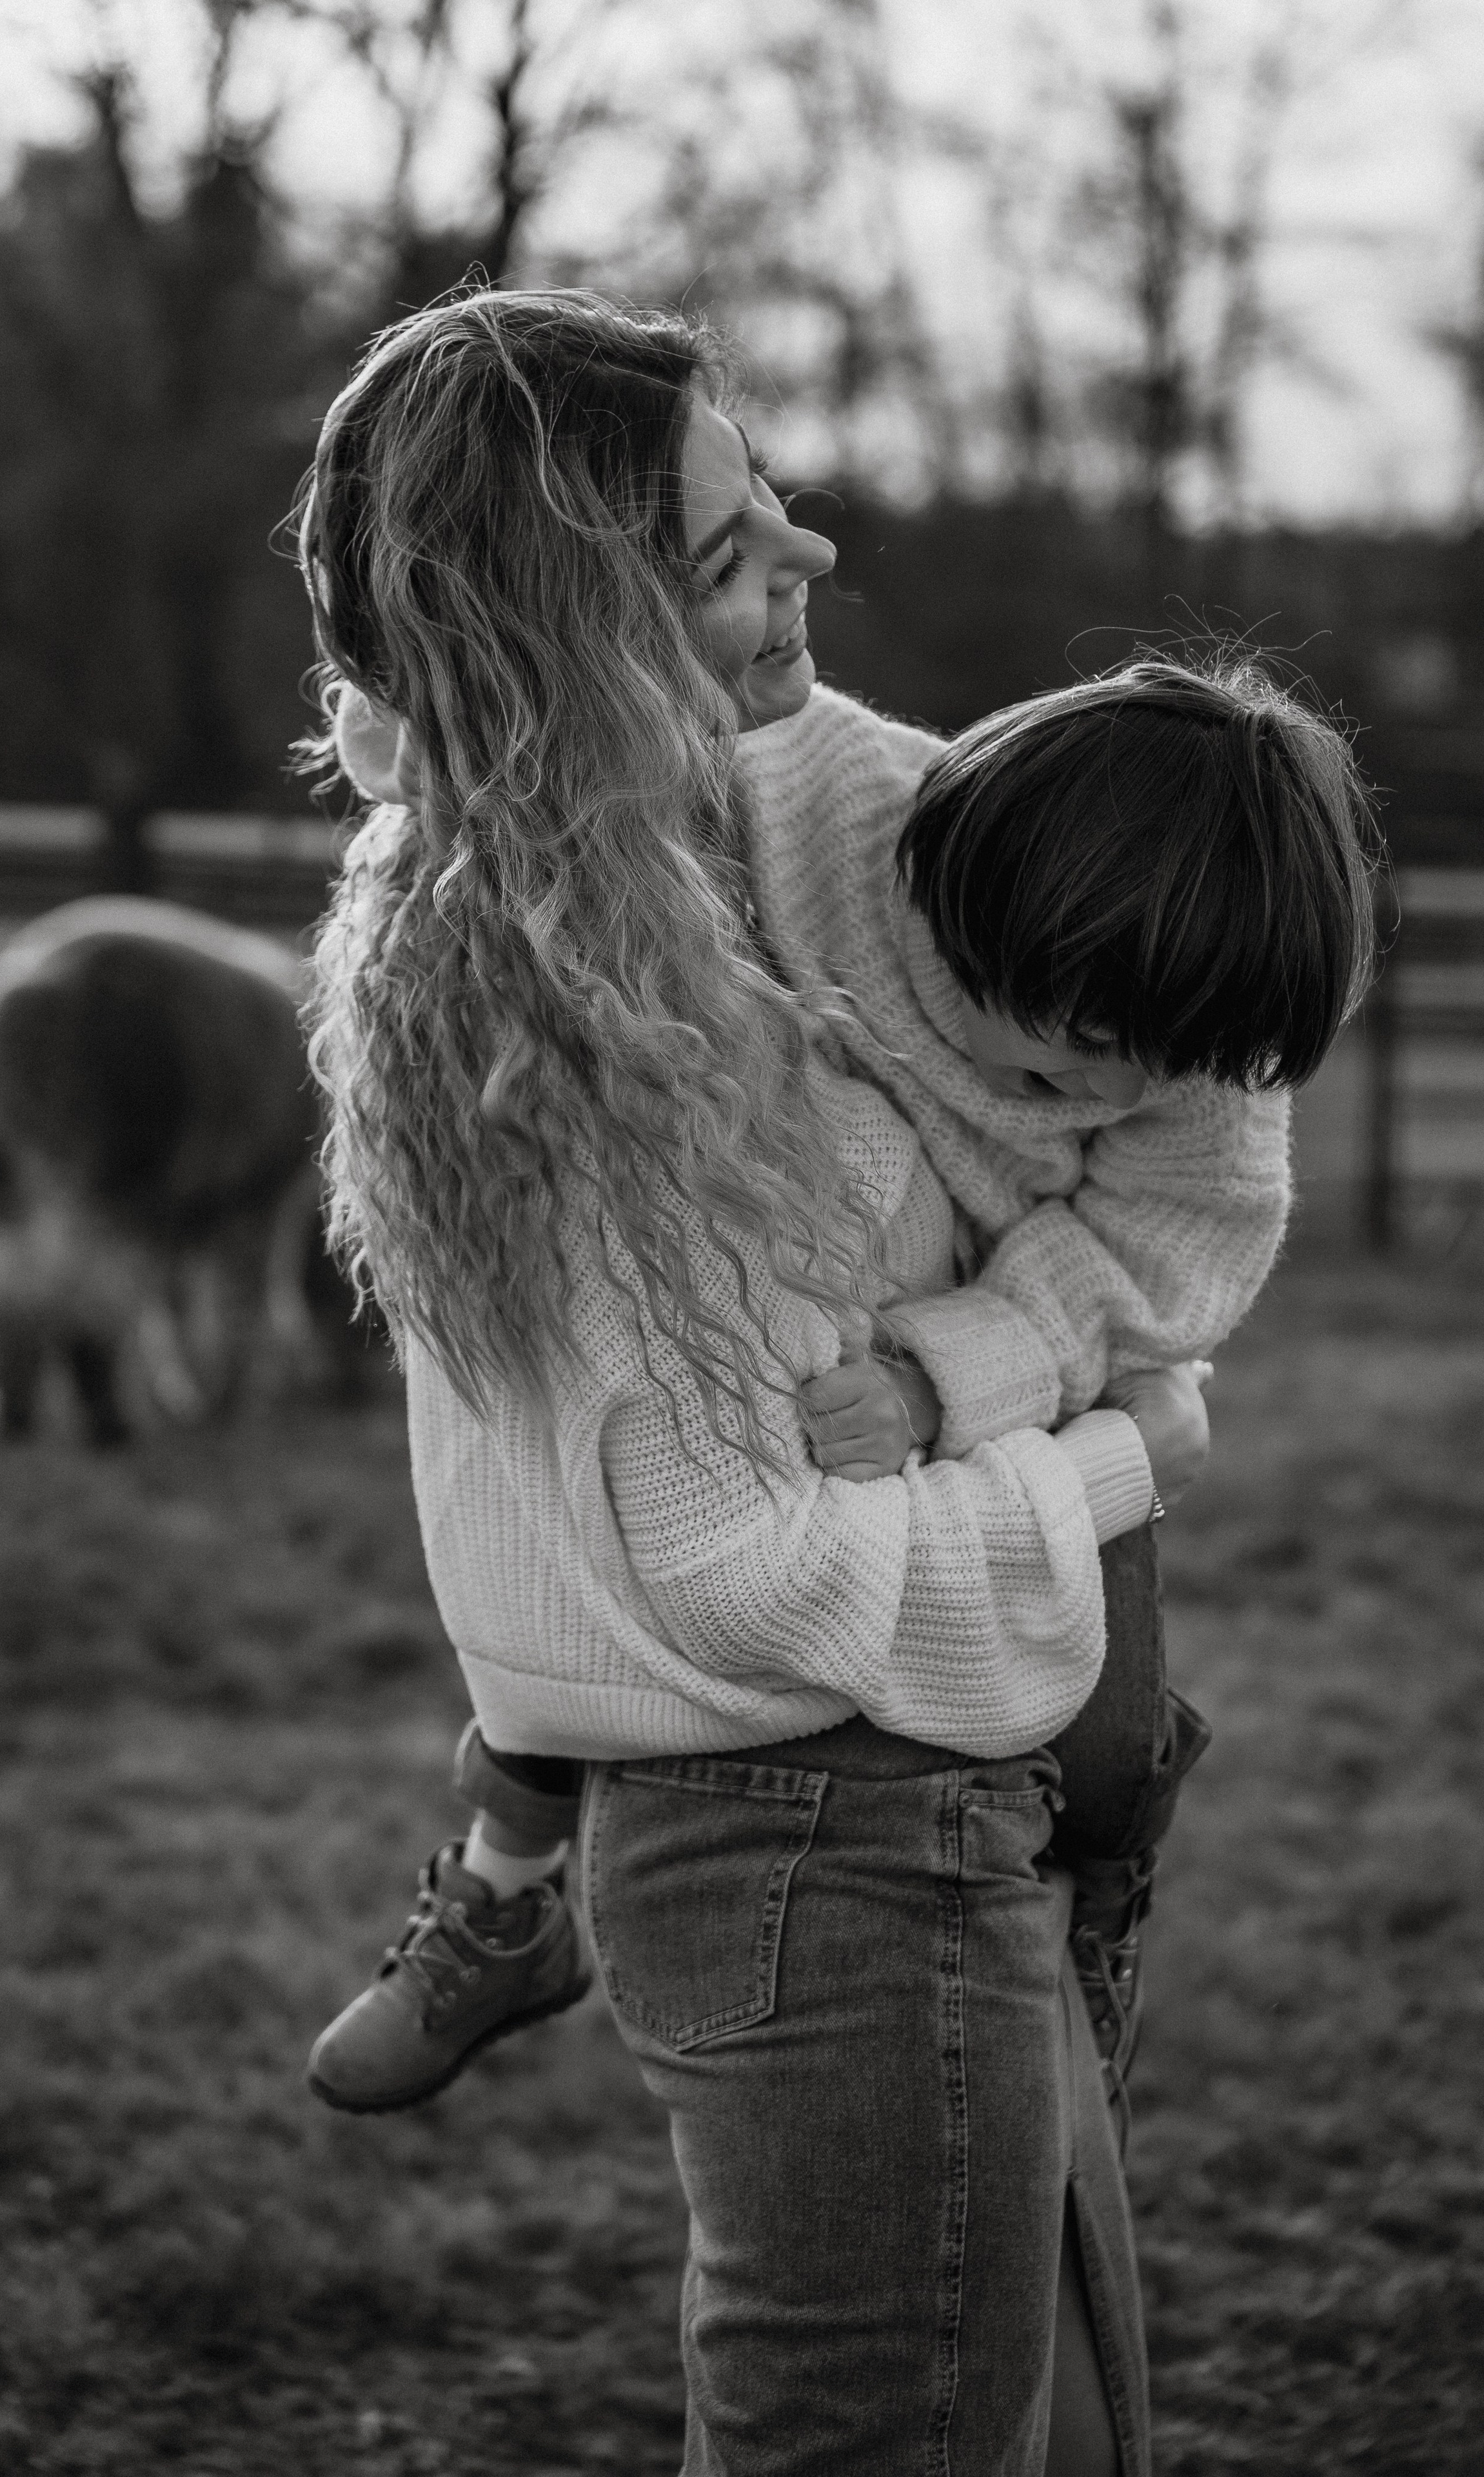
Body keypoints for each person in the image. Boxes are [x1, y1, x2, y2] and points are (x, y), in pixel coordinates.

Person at [291, 286, 1368, 2474]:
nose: (815, 559)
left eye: (772, 489)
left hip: (967, 1771)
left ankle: (504, 1884)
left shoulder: (875, 806)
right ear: (574, 639)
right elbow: (741, 1568)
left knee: (1054, 2421)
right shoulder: (591, 1031)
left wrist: (1026, 1358)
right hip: (828, 1814)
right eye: (725, 546)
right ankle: (496, 1887)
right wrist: (1110, 1455)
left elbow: (1201, 1163)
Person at [315, 655, 1378, 2144]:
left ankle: (1090, 1938)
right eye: (1060, 1035)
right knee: (582, 1607)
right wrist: (419, 717)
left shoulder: (1205, 1045)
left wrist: (950, 1377)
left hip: (1046, 1367)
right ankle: (500, 1897)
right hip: (790, 1278)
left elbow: (1156, 1266)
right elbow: (617, 743)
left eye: (1154, 1067)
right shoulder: (836, 809)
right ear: (968, 880)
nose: (1099, 1089)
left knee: (1108, 1734)